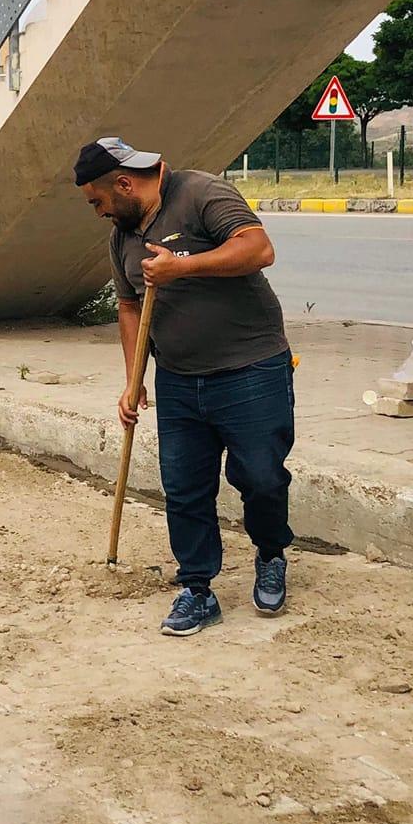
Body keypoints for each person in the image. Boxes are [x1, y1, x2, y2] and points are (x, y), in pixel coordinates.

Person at [73, 137, 294, 636]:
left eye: (99, 201)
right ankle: (197, 586)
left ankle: (271, 553)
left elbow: (258, 249)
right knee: (184, 488)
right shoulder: (122, 237)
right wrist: (134, 380)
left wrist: (183, 267)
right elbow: (129, 307)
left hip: (251, 369)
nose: (98, 212)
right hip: (178, 379)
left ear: (124, 184)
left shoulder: (201, 193)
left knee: (260, 477)